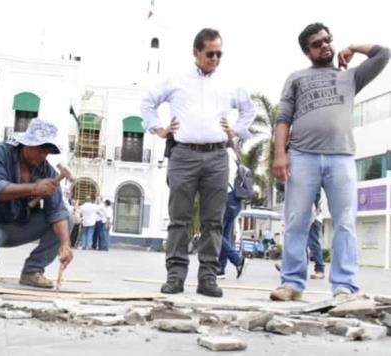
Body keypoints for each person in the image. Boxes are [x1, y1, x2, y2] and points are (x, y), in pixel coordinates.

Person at [271, 23, 390, 301]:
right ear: (306, 51)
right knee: (296, 221)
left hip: (342, 157)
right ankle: (291, 284)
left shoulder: (350, 77)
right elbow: (283, 118)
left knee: (345, 222)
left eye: (327, 40)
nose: (324, 45)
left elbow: (383, 54)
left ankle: (344, 285)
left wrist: (354, 48)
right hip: (302, 156)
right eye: (316, 43)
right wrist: (280, 154)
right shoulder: (296, 78)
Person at [141, 28, 255, 297]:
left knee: (213, 221)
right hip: (183, 154)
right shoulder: (176, 80)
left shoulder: (230, 82)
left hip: (217, 156)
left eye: (219, 53)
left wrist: (236, 130)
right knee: (179, 219)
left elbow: (249, 109)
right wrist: (157, 127)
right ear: (196, 53)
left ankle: (208, 278)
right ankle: (176, 276)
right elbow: (148, 102)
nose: (215, 58)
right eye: (210, 53)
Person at [0, 118, 73, 287]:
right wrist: (34, 189)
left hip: (18, 225)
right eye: (40, 149)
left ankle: (32, 271)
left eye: (47, 151)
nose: (43, 155)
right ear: (26, 143)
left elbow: (57, 212)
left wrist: (65, 245)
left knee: (66, 219)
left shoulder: (46, 171)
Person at [217, 148, 246, 279]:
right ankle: (221, 268)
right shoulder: (234, 155)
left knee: (214, 230)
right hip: (236, 198)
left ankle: (237, 260)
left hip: (226, 196)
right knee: (225, 234)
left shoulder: (223, 153)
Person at [308, 190, 325, 279]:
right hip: (310, 216)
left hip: (314, 218)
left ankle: (320, 270)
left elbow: (316, 198)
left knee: (313, 243)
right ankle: (292, 267)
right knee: (299, 242)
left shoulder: (316, 183)